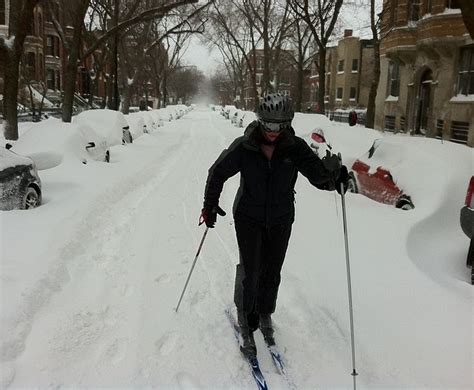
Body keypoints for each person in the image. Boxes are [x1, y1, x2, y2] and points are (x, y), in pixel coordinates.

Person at [201, 93, 349, 358]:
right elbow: (218, 172)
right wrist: (209, 205)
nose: (273, 131)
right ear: (259, 121)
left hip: (281, 217)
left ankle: (265, 312)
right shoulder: (245, 146)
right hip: (248, 216)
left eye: (279, 125)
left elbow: (317, 176)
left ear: (287, 123)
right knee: (252, 269)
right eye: (268, 125)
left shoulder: (295, 148)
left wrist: (334, 177)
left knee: (272, 270)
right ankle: (246, 317)